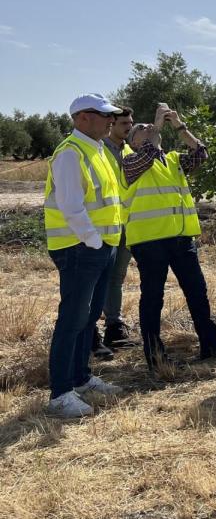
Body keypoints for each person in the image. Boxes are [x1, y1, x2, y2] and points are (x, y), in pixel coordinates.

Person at [121, 108, 216, 370]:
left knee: (197, 293)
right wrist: (156, 124)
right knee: (153, 298)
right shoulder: (130, 161)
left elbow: (201, 153)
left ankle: (210, 344)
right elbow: (149, 154)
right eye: (140, 128)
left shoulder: (173, 159)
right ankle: (155, 356)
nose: (149, 129)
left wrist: (179, 126)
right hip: (149, 241)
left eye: (148, 127)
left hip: (180, 239)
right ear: (133, 141)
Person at [43, 93, 126, 417]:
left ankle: (80, 378)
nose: (110, 120)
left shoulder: (98, 149)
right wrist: (94, 241)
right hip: (80, 248)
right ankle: (60, 393)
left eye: (110, 115)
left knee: (88, 318)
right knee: (72, 319)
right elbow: (71, 206)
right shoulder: (70, 153)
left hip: (99, 247)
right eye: (103, 115)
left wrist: (105, 243)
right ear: (81, 118)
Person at [97, 105, 138, 355]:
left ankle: (114, 326)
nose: (129, 127)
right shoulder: (100, 151)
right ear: (111, 124)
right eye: (124, 123)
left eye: (130, 123)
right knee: (99, 277)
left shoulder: (130, 151)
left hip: (126, 225)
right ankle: (92, 331)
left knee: (117, 276)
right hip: (105, 225)